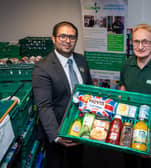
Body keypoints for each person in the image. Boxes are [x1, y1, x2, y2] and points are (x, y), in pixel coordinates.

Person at [32, 21, 92, 168]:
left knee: (77, 162)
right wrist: (57, 135)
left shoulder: (81, 60)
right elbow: (44, 105)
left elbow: (89, 90)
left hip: (79, 127)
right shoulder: (42, 68)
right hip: (57, 130)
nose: (67, 41)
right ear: (53, 39)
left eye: (72, 37)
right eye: (63, 36)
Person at [119, 23, 151, 168]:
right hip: (130, 125)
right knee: (129, 163)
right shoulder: (126, 65)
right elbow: (123, 88)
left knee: (150, 164)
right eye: (136, 41)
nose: (140, 46)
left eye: (145, 41)